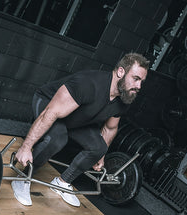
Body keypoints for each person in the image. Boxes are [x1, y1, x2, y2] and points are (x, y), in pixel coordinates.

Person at [11, 52, 149, 207]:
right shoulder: (88, 83)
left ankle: (62, 182)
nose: (138, 86)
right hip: (49, 104)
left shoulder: (124, 97)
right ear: (121, 71)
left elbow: (110, 128)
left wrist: (100, 156)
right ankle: (23, 177)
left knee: (99, 147)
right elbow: (51, 112)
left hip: (78, 117)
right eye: (136, 79)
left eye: (141, 81)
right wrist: (26, 147)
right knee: (58, 138)